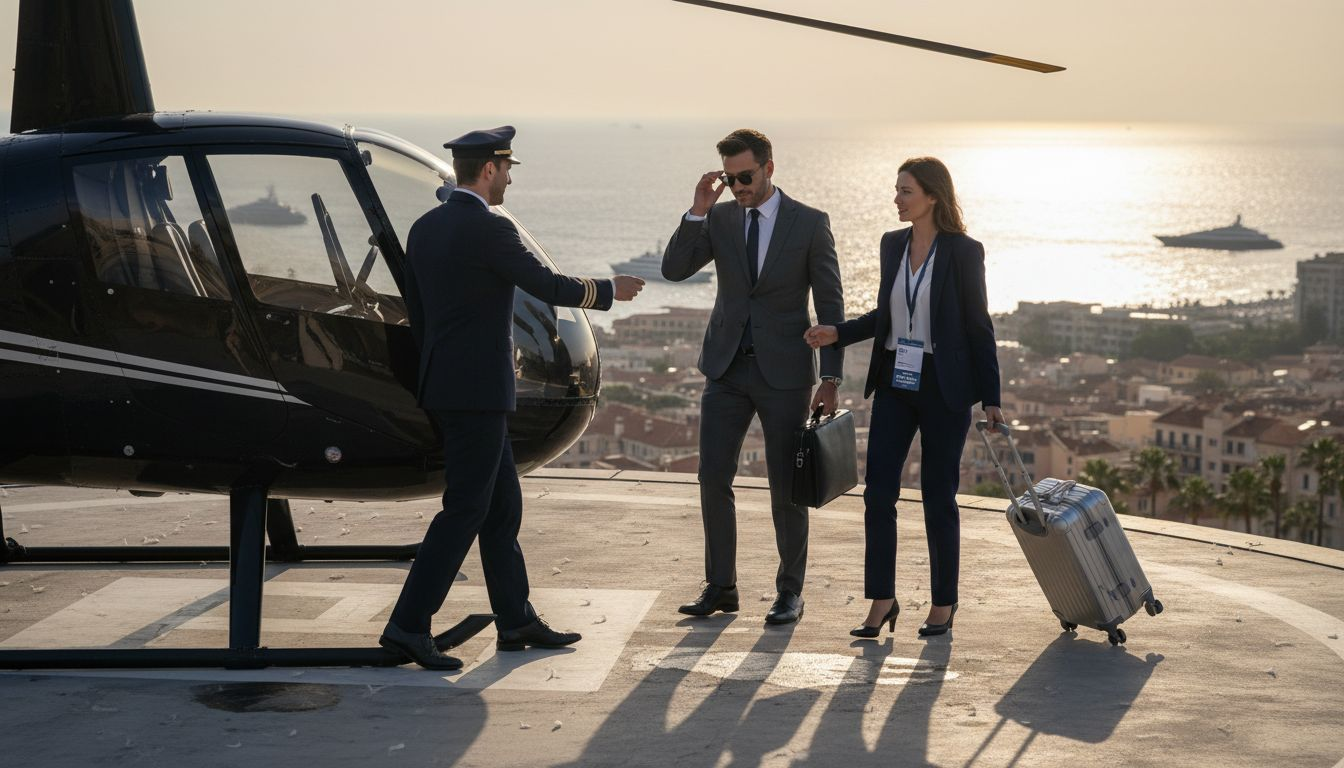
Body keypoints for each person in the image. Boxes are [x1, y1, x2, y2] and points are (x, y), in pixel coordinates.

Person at [380, 126, 646, 669]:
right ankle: (407, 626)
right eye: (506, 170)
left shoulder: (425, 227)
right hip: (478, 391)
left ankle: (516, 619)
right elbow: (545, 284)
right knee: (465, 511)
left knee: (501, 509)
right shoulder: (490, 228)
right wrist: (607, 290)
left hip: (449, 386)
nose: (508, 180)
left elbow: (421, 314)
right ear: (488, 171)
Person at [805, 157, 1004, 638]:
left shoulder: (963, 252)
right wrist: (838, 333)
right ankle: (882, 600)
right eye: (896, 190)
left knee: (939, 498)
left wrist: (991, 397)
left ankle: (943, 603)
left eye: (906, 191)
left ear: (932, 196)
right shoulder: (892, 245)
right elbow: (886, 314)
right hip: (895, 379)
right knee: (878, 495)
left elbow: (979, 325)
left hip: (944, 386)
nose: (896, 198)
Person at [663, 128, 845, 625]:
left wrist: (831, 378)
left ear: (769, 167)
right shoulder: (720, 217)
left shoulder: (808, 223)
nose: (739, 186)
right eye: (730, 178)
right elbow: (675, 269)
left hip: (784, 373)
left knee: (786, 486)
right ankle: (721, 586)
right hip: (725, 368)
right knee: (712, 478)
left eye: (746, 176)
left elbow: (830, 304)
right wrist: (698, 208)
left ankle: (790, 592)